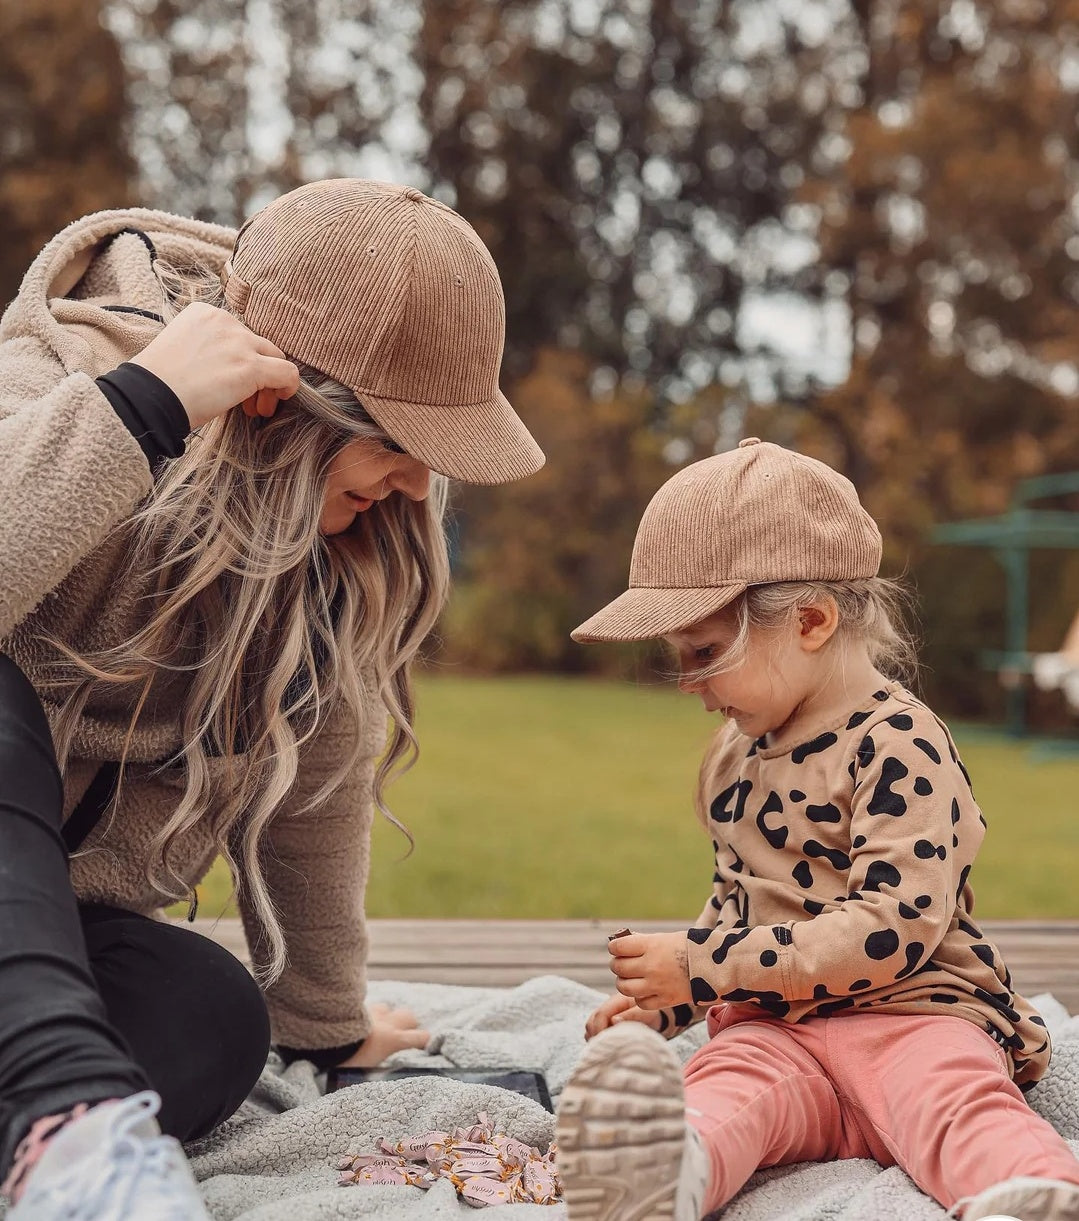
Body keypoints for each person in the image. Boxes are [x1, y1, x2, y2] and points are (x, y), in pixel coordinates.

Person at [0, 179, 544, 1220]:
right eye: (398, 443)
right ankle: (69, 1118)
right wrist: (143, 408)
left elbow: (318, 789)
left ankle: (62, 1130)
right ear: (282, 402)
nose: (420, 486)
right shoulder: (59, 381)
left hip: (46, 954)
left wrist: (326, 1019)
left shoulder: (329, 548)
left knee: (210, 1014)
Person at [553, 438, 1079, 1221]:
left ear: (807, 620)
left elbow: (889, 929)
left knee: (952, 1097)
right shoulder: (736, 754)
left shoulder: (897, 742)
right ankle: (662, 1177)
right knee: (724, 1088)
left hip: (910, 1015)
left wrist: (700, 967)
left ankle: (1026, 1193)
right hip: (777, 1031)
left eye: (703, 653)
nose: (692, 686)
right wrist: (665, 1006)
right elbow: (737, 907)